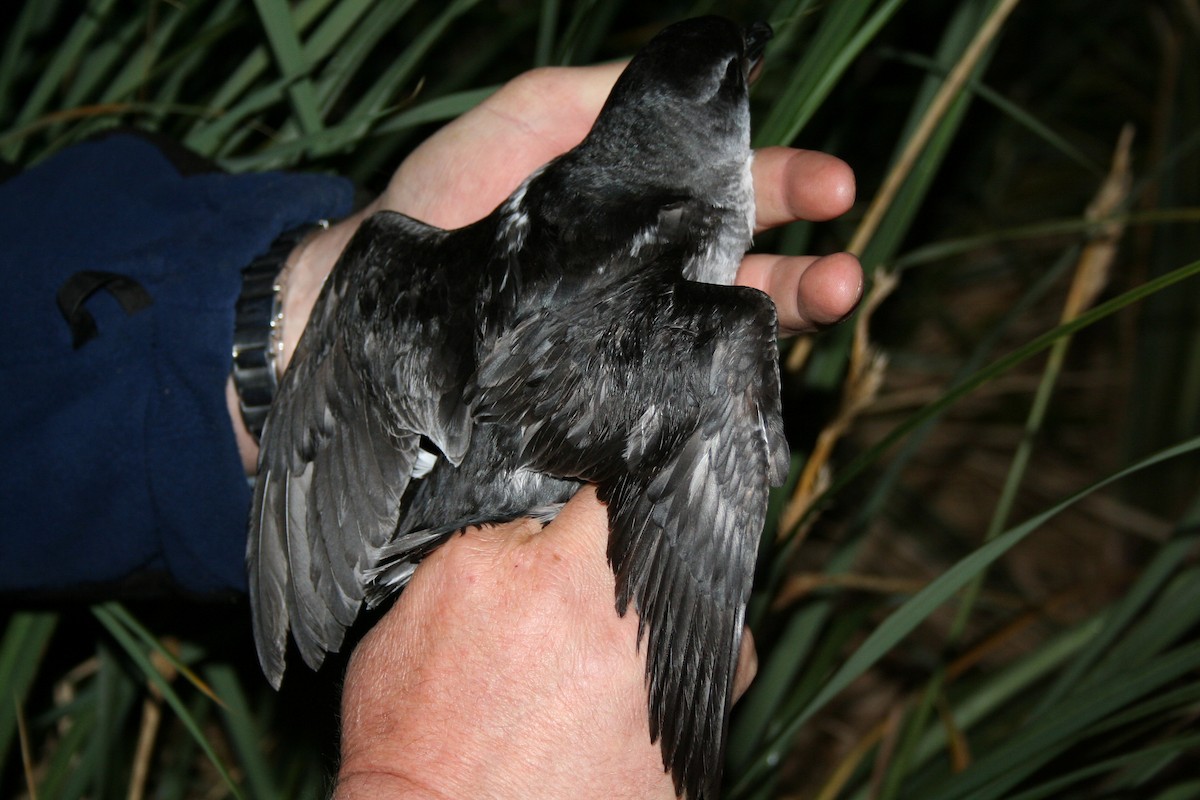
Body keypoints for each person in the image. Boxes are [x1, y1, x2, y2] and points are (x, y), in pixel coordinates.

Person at [1, 58, 859, 797]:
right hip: (511, 490)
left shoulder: (471, 230)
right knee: (730, 352)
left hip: (464, 451)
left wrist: (300, 308)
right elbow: (696, 545)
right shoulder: (714, 325)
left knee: (394, 261)